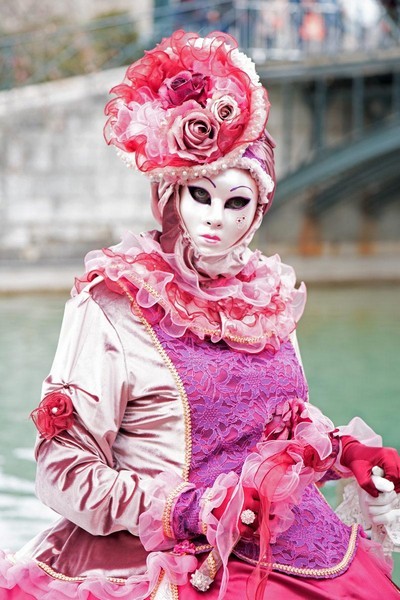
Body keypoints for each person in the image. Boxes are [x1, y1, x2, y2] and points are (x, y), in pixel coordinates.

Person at [0, 29, 399, 600]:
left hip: (295, 547)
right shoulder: (115, 301)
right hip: (167, 559)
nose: (216, 218)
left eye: (237, 201)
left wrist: (341, 453)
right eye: (200, 195)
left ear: (258, 210)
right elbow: (61, 467)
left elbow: (281, 427)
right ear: (172, 196)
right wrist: (184, 509)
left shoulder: (266, 298)